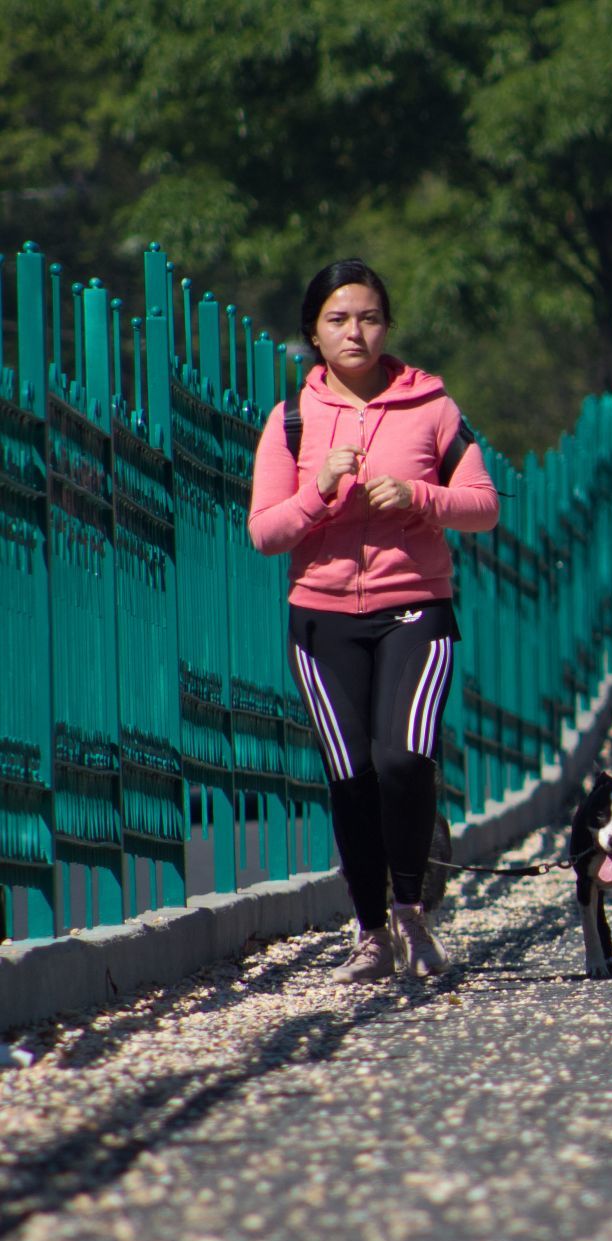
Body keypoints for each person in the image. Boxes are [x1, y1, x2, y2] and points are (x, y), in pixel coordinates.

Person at [248, 259, 500, 983]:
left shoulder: (433, 407)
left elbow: (483, 504)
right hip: (322, 623)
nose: (353, 331)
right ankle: (369, 931)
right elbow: (265, 532)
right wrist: (320, 492)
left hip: (416, 609)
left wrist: (421, 497)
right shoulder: (291, 419)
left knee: (402, 760)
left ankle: (414, 913)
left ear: (386, 326)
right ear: (313, 335)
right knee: (351, 774)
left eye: (367, 317)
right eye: (337, 319)